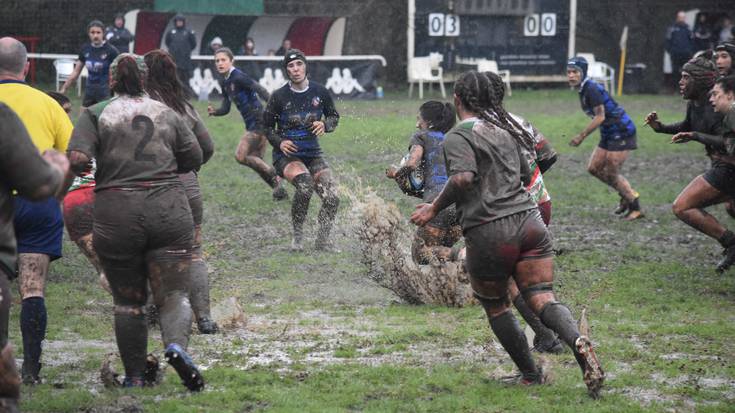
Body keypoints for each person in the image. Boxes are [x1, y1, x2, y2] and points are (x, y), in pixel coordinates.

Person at [410, 71, 604, 397]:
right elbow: (530, 171)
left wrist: (431, 209)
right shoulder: (507, 131)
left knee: (497, 305)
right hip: (531, 223)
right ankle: (577, 341)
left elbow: (461, 180)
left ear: (458, 100)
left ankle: (530, 373)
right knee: (542, 297)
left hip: (490, 229)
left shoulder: (459, 135)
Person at [67, 53, 205, 390]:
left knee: (128, 302)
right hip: (169, 211)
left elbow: (77, 158)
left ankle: (134, 376)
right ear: (144, 80)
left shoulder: (95, 113)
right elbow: (195, 156)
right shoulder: (167, 112)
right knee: (174, 294)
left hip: (118, 214)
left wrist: (87, 169)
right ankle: (175, 348)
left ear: (112, 80)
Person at [0, 37, 74, 384]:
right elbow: (73, 156)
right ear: (27, 67)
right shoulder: (47, 103)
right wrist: (56, 196)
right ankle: (31, 369)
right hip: (38, 202)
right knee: (33, 288)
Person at [144, 48, 218, 334]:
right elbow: (207, 148)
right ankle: (205, 318)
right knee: (194, 252)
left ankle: (151, 308)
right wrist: (189, 167)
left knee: (149, 249)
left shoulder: (137, 106)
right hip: (187, 187)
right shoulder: (184, 107)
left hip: (149, 187)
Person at [643, 57, 733, 270]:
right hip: (722, 166)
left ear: (701, 81)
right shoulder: (696, 103)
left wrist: (695, 136)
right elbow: (687, 125)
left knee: (682, 206)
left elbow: (727, 141)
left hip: (727, 168)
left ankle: (731, 243)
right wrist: (660, 127)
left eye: (686, 77)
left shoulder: (720, 107)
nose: (680, 82)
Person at [264, 49, 340, 251]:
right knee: (305, 185)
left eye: (299, 64)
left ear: (305, 66)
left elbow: (334, 116)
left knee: (332, 197)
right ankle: (297, 238)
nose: (295, 69)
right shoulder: (278, 96)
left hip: (313, 154)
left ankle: (322, 240)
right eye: (290, 66)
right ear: (286, 70)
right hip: (287, 156)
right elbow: (267, 128)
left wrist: (325, 124)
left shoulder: (320, 92)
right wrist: (279, 142)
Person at [567, 56, 643, 221]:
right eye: (569, 72)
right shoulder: (583, 89)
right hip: (608, 131)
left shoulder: (591, 88)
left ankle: (635, 206)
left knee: (611, 172)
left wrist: (581, 136)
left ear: (583, 73)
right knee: (594, 168)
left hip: (621, 130)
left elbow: (600, 117)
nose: (571, 75)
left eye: (575, 72)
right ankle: (625, 194)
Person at [386, 101, 461, 264]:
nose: (417, 124)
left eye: (419, 119)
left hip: (437, 205)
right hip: (460, 207)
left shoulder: (421, 137)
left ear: (430, 122)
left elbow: (412, 163)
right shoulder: (453, 140)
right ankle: (446, 286)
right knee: (439, 255)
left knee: (420, 254)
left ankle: (464, 257)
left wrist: (396, 173)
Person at [208, 47, 287, 200]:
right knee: (257, 163)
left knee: (241, 156)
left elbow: (260, 89)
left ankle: (277, 176)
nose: (220, 63)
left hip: (259, 122)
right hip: (252, 123)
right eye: (217, 61)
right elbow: (226, 107)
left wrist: (274, 108)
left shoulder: (238, 76)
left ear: (232, 61)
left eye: (223, 60)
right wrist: (215, 112)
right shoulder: (225, 82)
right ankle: (279, 192)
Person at [60, 20, 119, 107]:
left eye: (98, 32)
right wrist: (64, 89)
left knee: (103, 119)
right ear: (89, 34)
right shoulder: (85, 49)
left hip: (104, 91)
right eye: (92, 32)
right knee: (83, 118)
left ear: (103, 33)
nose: (95, 35)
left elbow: (119, 72)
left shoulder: (111, 51)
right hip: (89, 90)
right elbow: (76, 72)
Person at [165, 14, 197, 96]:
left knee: (185, 79)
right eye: (177, 21)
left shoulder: (189, 32)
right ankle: (173, 94)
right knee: (173, 78)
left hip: (185, 61)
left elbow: (193, 44)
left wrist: (185, 51)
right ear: (175, 22)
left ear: (183, 22)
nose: (179, 23)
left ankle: (186, 95)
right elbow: (167, 42)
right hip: (173, 60)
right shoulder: (171, 32)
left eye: (181, 21)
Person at [666, 11, 695, 90]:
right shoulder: (672, 28)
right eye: (680, 17)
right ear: (677, 18)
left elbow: (692, 41)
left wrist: (690, 51)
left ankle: (686, 88)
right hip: (675, 54)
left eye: (683, 17)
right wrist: (671, 51)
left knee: (686, 72)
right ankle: (675, 88)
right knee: (675, 72)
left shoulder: (688, 28)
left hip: (686, 54)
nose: (681, 19)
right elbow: (668, 41)